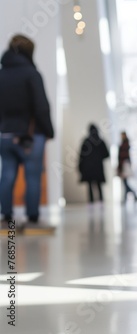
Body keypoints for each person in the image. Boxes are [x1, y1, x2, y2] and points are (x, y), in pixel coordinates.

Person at [0, 34, 54, 227]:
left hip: (5, 134)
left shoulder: (2, 74)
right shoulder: (32, 74)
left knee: (6, 175)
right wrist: (48, 131)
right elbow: (41, 107)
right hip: (31, 135)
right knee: (32, 176)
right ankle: (32, 217)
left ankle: (6, 216)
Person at [78, 124, 109, 203]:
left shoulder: (86, 141)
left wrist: (80, 167)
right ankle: (101, 201)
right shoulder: (100, 141)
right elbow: (106, 154)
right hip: (98, 167)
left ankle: (91, 202)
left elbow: (81, 156)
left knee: (90, 186)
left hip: (88, 168)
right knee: (99, 186)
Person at [117, 131, 137, 203]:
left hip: (124, 165)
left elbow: (123, 156)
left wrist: (120, 167)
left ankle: (127, 197)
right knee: (125, 183)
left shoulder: (124, 145)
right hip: (124, 165)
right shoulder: (124, 144)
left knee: (125, 183)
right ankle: (129, 196)